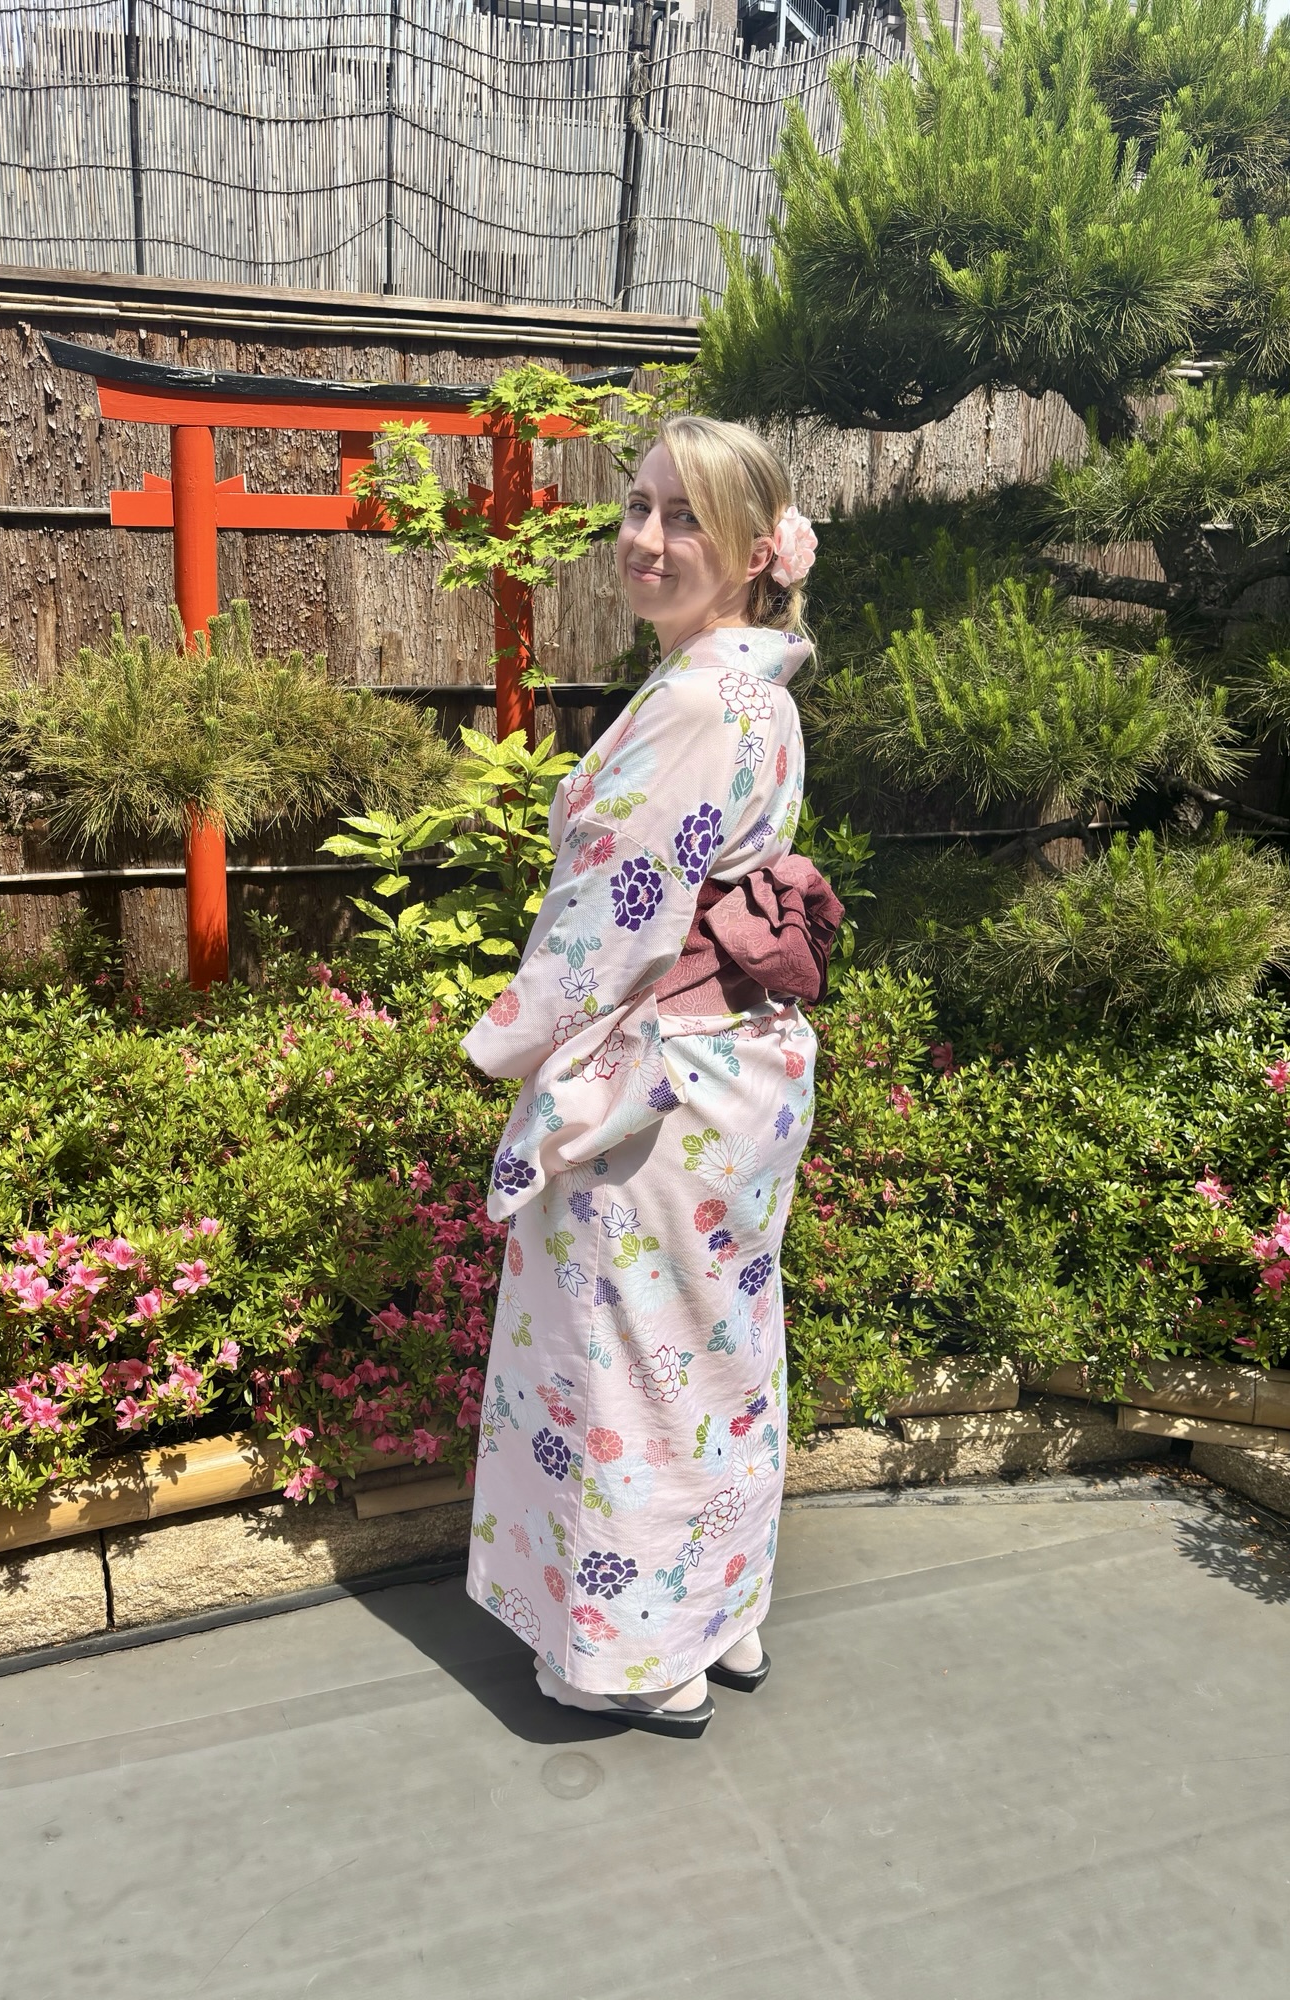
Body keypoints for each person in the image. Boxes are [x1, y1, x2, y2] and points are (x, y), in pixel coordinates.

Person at [461, 415, 834, 1739]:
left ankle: (636, 1652)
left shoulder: (694, 699)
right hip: (745, 1064)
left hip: (663, 1079)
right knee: (716, 1344)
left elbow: (610, 918)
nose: (647, 539)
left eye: (684, 518)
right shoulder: (760, 689)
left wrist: (506, 1043)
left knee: (629, 1351)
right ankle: (720, 1613)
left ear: (750, 553)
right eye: (637, 508)